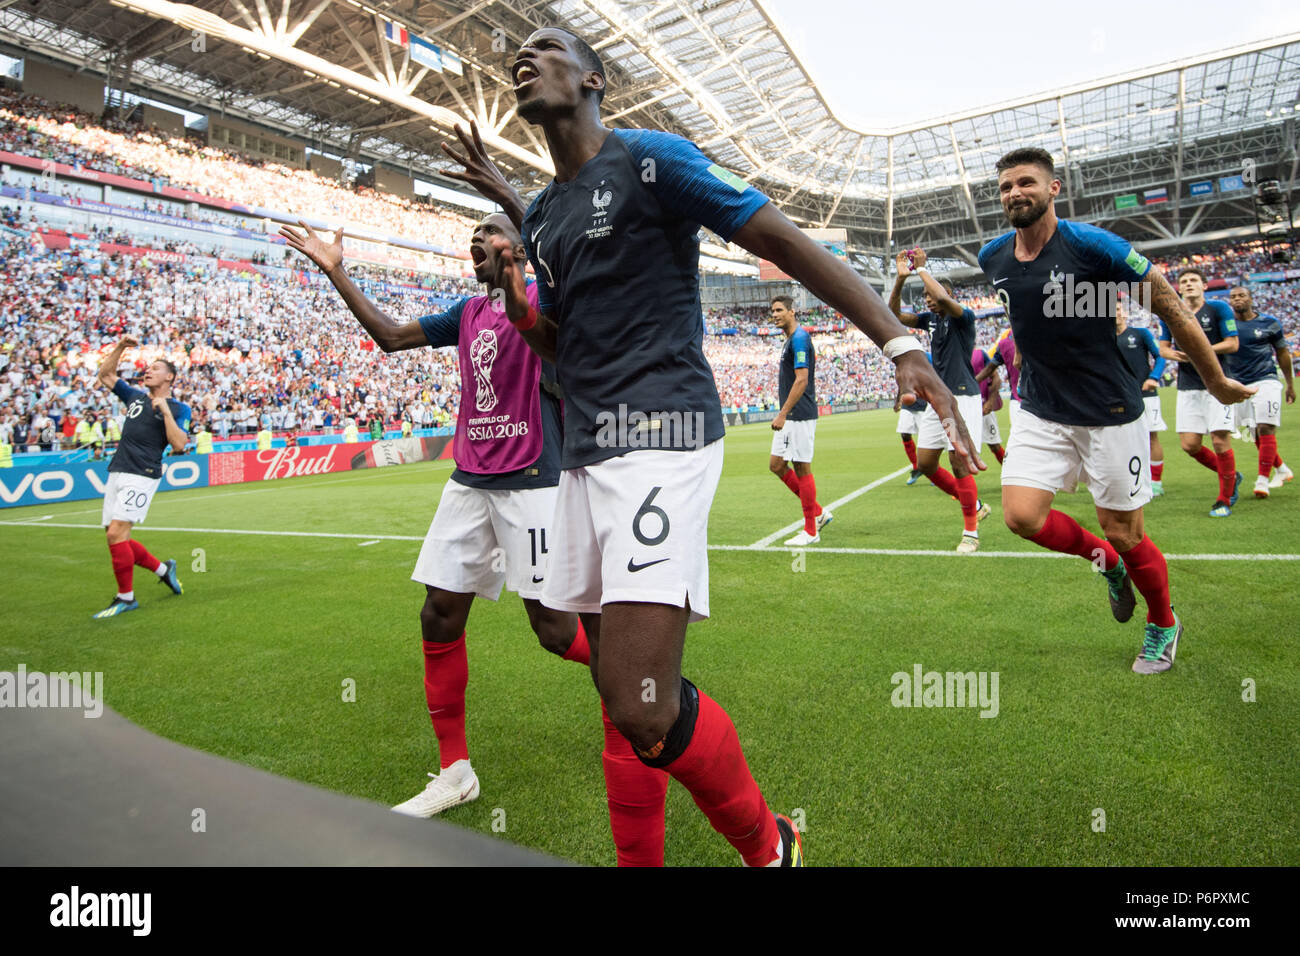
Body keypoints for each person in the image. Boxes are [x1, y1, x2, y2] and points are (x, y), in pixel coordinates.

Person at [451, 27, 978, 865]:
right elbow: (562, 343)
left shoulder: (652, 158)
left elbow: (781, 239)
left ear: (593, 79)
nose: (524, 52)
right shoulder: (545, 214)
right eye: (517, 47)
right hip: (584, 454)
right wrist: (522, 308)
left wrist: (898, 344)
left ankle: (772, 844)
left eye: (547, 44)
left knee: (641, 702)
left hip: (663, 437)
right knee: (613, 689)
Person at [279, 214, 669, 862]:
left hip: (534, 480)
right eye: (471, 242)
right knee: (437, 612)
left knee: (551, 629)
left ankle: (636, 696)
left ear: (517, 248)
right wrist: (335, 271)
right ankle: (456, 772)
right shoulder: (465, 312)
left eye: (489, 234)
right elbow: (388, 335)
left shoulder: (547, 298)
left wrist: (525, 244)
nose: (475, 244)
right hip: (469, 479)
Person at [978, 147, 1253, 674]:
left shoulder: (1094, 247)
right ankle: (1106, 566)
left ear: (1053, 188)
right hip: (1038, 408)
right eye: (1007, 186)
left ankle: (1163, 621)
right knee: (1020, 518)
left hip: (1109, 410)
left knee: (1125, 534)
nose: (1015, 193)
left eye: (1026, 182)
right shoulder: (994, 257)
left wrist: (1215, 379)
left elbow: (1170, 307)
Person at [889, 249, 991, 553]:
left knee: (958, 462)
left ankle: (970, 532)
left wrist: (923, 270)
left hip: (962, 396)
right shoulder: (930, 320)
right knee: (927, 463)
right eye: (927, 297)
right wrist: (900, 279)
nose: (929, 300)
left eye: (934, 295)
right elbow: (893, 314)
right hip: (938, 397)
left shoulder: (964, 318)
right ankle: (976, 505)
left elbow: (945, 300)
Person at [92, 335, 187, 619]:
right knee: (116, 536)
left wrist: (166, 412)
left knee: (115, 533)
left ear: (169, 377)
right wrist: (120, 347)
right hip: (118, 469)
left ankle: (126, 598)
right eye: (148, 367)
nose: (148, 370)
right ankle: (163, 569)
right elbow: (105, 375)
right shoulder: (133, 396)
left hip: (143, 473)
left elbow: (180, 444)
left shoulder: (180, 409)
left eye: (156, 368)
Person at [1158, 269, 1242, 516]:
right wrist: (1172, 354)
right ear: (1179, 289)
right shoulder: (1170, 312)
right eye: (1184, 281)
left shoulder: (1218, 309)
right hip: (1188, 385)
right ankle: (1232, 476)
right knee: (1190, 445)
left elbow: (1232, 343)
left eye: (1194, 280)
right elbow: (1163, 347)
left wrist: (1200, 351)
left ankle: (1224, 500)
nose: (1189, 284)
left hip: (1218, 383)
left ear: (1204, 286)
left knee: (1219, 440)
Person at [768, 295, 831, 545]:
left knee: (802, 467)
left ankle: (811, 531)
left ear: (792, 312)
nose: (774, 314)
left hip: (799, 414)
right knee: (776, 465)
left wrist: (783, 412)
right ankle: (818, 513)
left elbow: (802, 379)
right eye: (772, 311)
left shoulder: (800, 338)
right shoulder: (790, 340)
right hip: (792, 415)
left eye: (779, 310)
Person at [1226, 285, 1295, 497]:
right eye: (1233, 297)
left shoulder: (1269, 323)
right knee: (1253, 431)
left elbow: (1282, 353)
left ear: (1251, 299)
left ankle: (1263, 481)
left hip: (1266, 380)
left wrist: (1290, 384)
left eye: (1242, 295)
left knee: (1266, 427)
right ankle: (1281, 469)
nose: (1237, 299)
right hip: (1238, 384)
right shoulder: (1227, 326)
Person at [1114, 300, 1168, 497]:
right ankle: (1132, 479)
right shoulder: (1103, 338)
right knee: (1121, 440)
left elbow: (1160, 356)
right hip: (1119, 397)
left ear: (1125, 313)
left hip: (1146, 394)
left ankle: (1156, 481)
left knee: (1151, 436)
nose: (1114, 313)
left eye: (1118, 309)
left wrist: (1154, 378)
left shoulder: (1141, 333)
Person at [969, 346, 1007, 464]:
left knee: (994, 446)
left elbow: (996, 378)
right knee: (959, 449)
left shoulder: (980, 354)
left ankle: (1009, 471)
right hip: (962, 409)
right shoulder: (950, 355)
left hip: (983, 407)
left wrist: (991, 401)